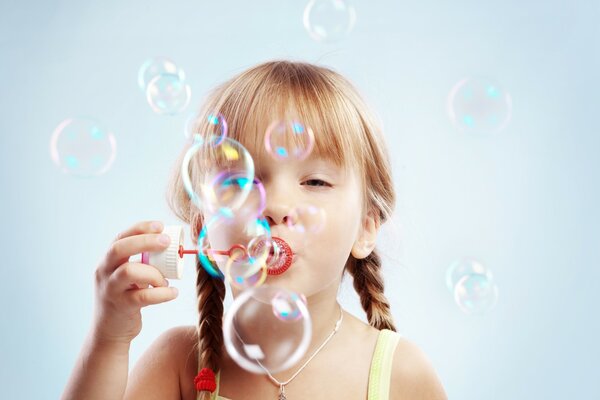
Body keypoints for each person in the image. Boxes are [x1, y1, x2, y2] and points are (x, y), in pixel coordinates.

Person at [61, 60, 448, 400]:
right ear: (202, 227)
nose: (276, 207)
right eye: (243, 183)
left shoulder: (402, 374)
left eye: (315, 182)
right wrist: (109, 341)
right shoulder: (180, 366)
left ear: (366, 228)